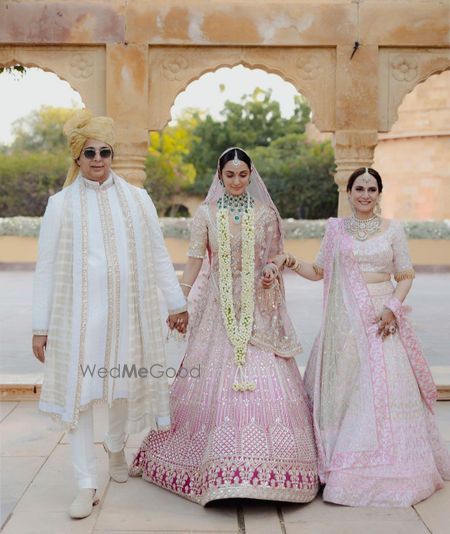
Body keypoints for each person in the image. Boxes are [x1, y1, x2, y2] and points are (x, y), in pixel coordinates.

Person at [130, 147, 318, 505]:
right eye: (229, 175)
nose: (235, 181)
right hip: (218, 309)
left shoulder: (265, 213)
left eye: (242, 175)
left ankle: (272, 469)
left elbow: (277, 254)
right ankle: (210, 466)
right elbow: (194, 262)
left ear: (251, 175)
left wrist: (272, 269)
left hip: (258, 309)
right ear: (220, 176)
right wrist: (179, 302)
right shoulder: (206, 214)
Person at [32, 109, 187, 519]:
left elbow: (157, 255)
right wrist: (39, 326)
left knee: (121, 386)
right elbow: (46, 266)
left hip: (129, 316)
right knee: (79, 400)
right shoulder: (60, 205)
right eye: (89, 152)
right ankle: (86, 483)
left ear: (112, 154)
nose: (97, 159)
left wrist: (177, 303)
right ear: (77, 159)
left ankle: (116, 447)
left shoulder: (138, 199)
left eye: (104, 151)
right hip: (77, 321)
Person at [269, 167, 450, 507]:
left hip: (382, 318)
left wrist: (393, 308)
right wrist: (289, 261)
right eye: (359, 188)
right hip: (344, 323)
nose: (365, 194)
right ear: (349, 192)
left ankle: (381, 469)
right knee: (345, 392)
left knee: (380, 393)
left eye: (371, 188)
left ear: (379, 193)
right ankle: (336, 462)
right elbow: (319, 272)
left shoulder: (393, 230)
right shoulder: (336, 230)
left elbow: (406, 274)